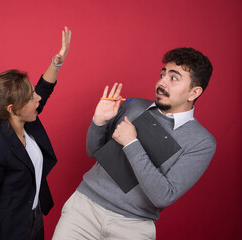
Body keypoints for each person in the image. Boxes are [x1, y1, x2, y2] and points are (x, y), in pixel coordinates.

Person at [52, 47, 216, 240]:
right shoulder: (134, 106)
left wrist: (131, 143)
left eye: (173, 78)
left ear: (193, 92)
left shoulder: (201, 142)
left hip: (133, 228)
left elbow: (163, 196)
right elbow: (94, 151)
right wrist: (99, 121)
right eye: (162, 74)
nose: (161, 82)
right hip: (83, 211)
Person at [0, 27, 71, 240]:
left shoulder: (26, 122)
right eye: (31, 98)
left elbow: (44, 89)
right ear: (13, 108)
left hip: (33, 220)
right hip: (9, 231)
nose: (38, 99)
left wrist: (57, 61)